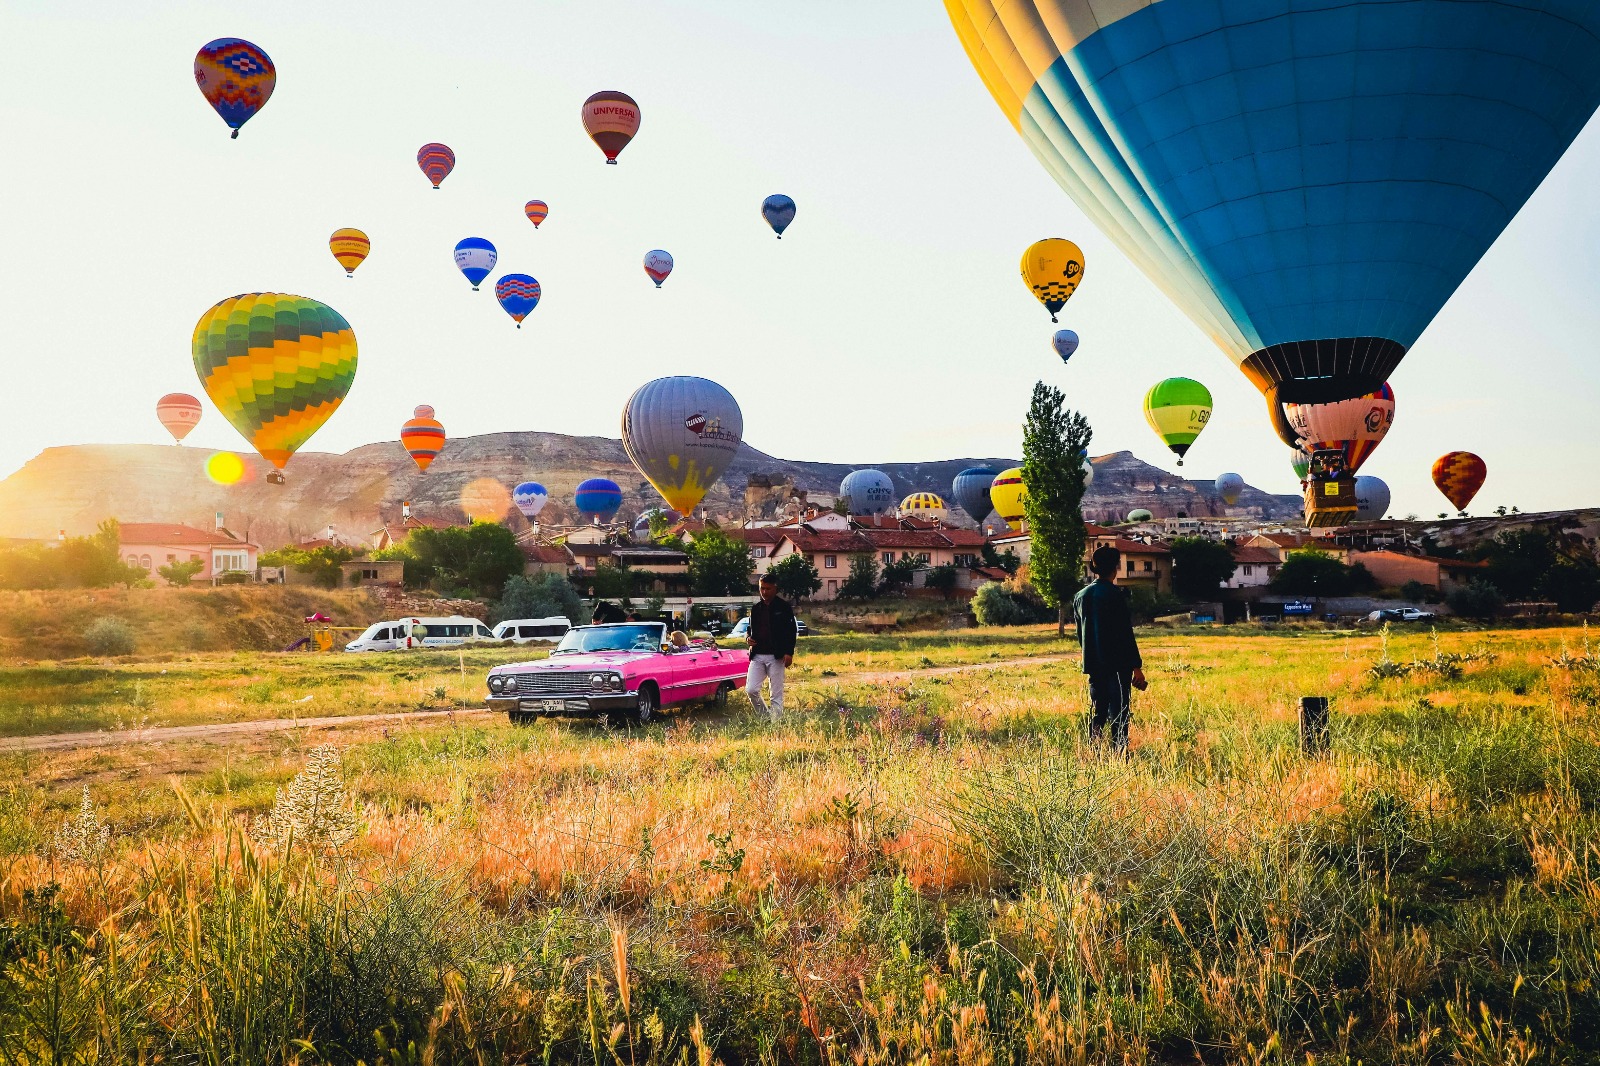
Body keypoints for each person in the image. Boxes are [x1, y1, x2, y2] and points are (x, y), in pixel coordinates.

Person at [1072, 545, 1146, 754]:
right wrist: (1136, 668)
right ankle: (1119, 753)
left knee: (1099, 711)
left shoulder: (1080, 596)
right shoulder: (1114, 594)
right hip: (1117, 665)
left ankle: (1093, 750)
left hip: (1094, 664)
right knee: (1119, 712)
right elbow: (1125, 634)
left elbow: (1080, 634)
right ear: (1115, 568)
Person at [745, 573, 796, 721]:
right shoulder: (755, 608)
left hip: (777, 655)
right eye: (762, 588)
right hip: (757, 655)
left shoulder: (784, 607)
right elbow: (750, 628)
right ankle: (765, 717)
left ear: (775, 588)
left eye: (768, 588)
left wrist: (789, 652)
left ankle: (776, 724)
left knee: (776, 694)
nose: (764, 592)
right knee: (751, 689)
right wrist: (748, 638)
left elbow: (791, 631)